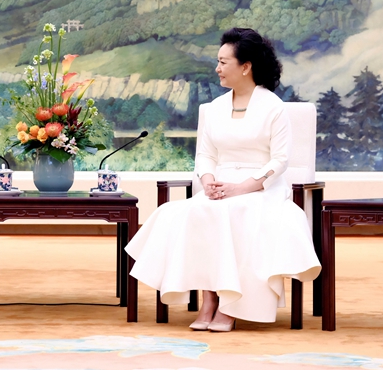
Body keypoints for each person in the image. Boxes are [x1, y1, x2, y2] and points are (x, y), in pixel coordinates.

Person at [125, 27, 320, 331]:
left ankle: (232, 305)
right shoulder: (214, 108)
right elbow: (205, 155)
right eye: (217, 61)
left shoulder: (273, 108)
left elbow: (279, 161)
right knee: (195, 210)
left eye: (223, 62)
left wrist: (242, 188)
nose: (217, 69)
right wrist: (208, 180)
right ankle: (209, 301)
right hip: (218, 187)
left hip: (261, 189)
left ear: (246, 67)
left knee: (237, 213)